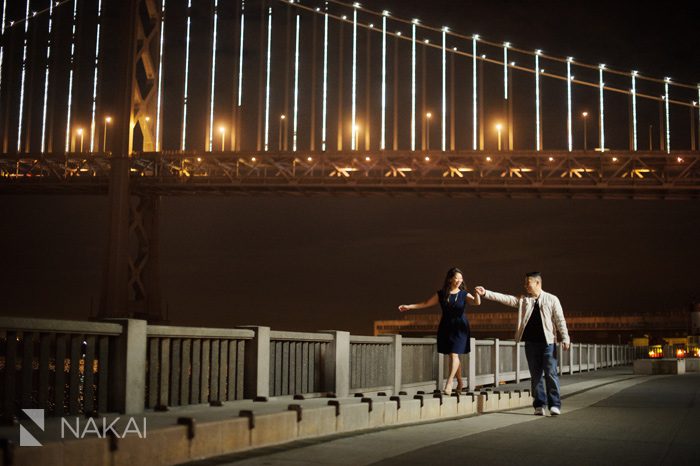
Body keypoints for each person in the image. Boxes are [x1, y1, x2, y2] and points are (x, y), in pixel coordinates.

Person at [475, 272, 570, 416]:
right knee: (535, 376)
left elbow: (560, 320)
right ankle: (539, 405)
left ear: (537, 283)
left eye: (528, 283)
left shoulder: (552, 299)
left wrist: (565, 337)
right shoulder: (524, 300)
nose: (525, 286)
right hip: (531, 344)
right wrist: (485, 293)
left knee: (551, 374)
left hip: (548, 344)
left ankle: (555, 405)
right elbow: (506, 299)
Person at [399, 268, 481, 395]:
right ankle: (459, 382)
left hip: (460, 327)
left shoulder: (464, 294)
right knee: (453, 355)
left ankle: (449, 383)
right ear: (450, 279)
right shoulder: (442, 294)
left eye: (461, 278)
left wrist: (477, 294)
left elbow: (476, 303)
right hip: (446, 326)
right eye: (457, 278)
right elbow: (425, 303)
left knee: (454, 354)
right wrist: (409, 306)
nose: (459, 280)